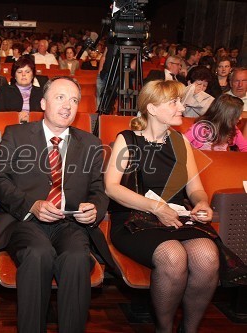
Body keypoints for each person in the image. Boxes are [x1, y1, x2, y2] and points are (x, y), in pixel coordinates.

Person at [0, 76, 111, 333]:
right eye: (60, 97)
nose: (68, 105)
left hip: (70, 223)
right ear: (43, 102)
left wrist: (95, 208)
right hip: (25, 221)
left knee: (77, 257)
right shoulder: (17, 134)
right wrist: (31, 205)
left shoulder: (90, 143)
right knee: (38, 253)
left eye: (74, 100)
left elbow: (99, 191)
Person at [105, 80, 220, 333]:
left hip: (176, 217)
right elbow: (112, 187)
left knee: (208, 256)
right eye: (175, 102)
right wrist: (155, 207)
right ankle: (164, 329)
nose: (182, 106)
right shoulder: (127, 140)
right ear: (153, 108)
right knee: (173, 255)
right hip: (134, 219)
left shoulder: (181, 142)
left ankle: (189, 330)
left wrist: (201, 202)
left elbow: (195, 188)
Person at [0, 57, 43, 122]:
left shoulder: (42, 92)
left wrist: (31, 117)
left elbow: (47, 115)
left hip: (36, 127)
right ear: (14, 76)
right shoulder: (4, 91)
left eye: (27, 72)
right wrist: (16, 117)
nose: (23, 74)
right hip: (11, 126)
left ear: (33, 75)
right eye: (19, 72)